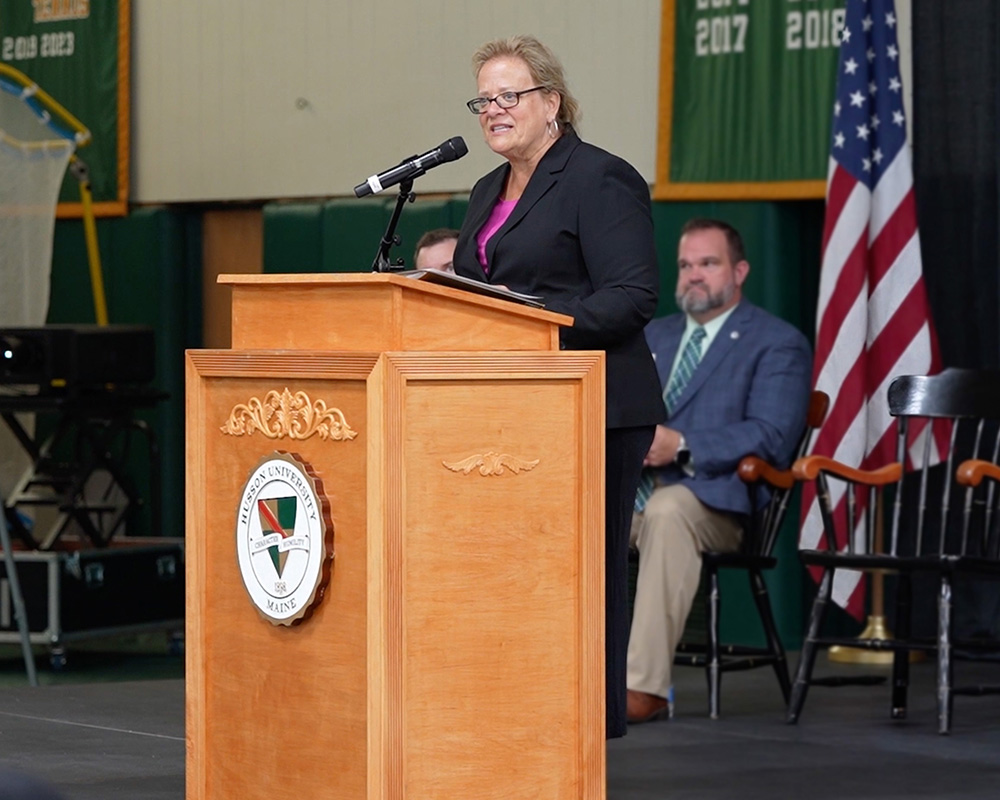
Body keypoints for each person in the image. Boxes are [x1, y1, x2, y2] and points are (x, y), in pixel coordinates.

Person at [453, 34, 664, 738]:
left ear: (552, 102)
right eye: (485, 99)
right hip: (509, 407)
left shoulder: (599, 178)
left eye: (509, 95)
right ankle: (521, 705)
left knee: (583, 570)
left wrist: (532, 320)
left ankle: (587, 721)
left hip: (592, 404)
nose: (494, 110)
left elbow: (631, 297)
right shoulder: (488, 188)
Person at [625, 218, 813, 723]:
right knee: (560, 508)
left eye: (708, 263)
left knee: (668, 510)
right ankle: (547, 675)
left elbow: (771, 434)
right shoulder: (651, 335)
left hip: (716, 501)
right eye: (686, 265)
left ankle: (643, 688)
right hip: (632, 493)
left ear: (740, 270)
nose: (693, 276)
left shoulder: (775, 342)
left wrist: (681, 444)